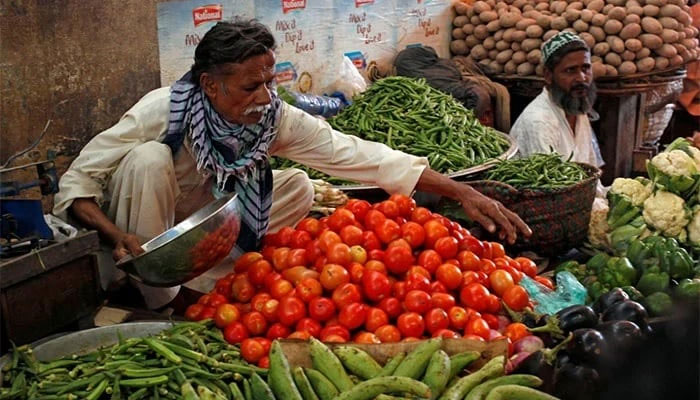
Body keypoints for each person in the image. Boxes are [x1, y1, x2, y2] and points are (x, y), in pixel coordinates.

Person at [53, 19, 530, 310]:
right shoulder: (162, 111)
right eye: (249, 87)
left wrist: (462, 191)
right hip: (142, 229)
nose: (265, 97)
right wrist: (119, 239)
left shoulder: (270, 117)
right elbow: (76, 183)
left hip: (202, 218)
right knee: (149, 160)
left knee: (299, 186)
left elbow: (358, 155)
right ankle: (161, 299)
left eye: (268, 82)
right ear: (210, 86)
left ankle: (210, 279)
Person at [509, 32, 604, 169]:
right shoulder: (538, 122)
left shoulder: (577, 109)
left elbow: (591, 169)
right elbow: (550, 186)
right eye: (570, 70)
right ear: (548, 75)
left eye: (586, 68)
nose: (582, 78)